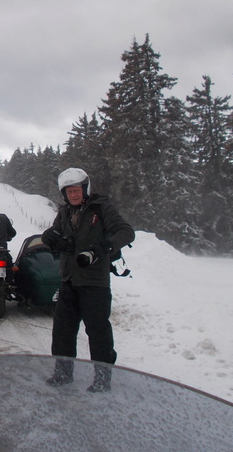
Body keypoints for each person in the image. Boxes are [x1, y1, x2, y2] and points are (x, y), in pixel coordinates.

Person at [42, 168, 134, 392]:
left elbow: (126, 232)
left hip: (94, 282)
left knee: (98, 331)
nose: (73, 195)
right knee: (62, 331)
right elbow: (55, 233)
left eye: (76, 190)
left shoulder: (101, 209)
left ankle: (102, 378)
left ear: (85, 189)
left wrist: (102, 247)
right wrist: (51, 239)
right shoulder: (64, 212)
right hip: (69, 280)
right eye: (68, 191)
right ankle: (63, 373)